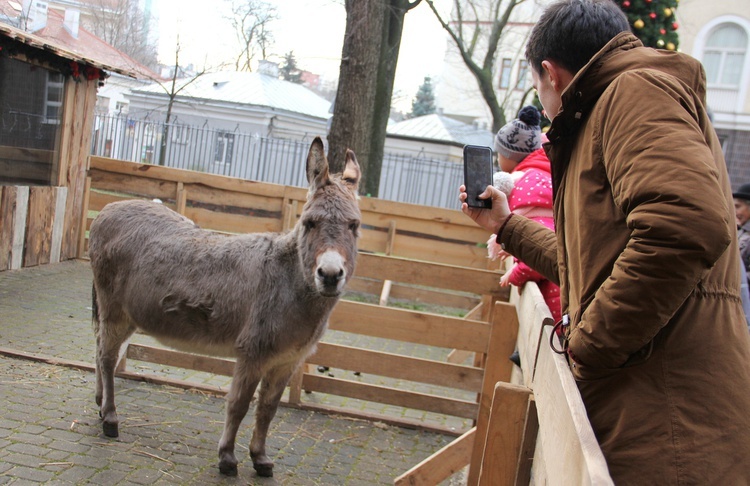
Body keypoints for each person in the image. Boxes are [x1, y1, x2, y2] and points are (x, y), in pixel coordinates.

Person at [459, 0, 750, 483]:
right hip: (652, 406)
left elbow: (684, 227)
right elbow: (596, 265)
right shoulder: (619, 104)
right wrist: (506, 227)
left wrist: (587, 345)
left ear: (550, 74)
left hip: (666, 420)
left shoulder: (631, 94)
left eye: (536, 85)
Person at [487, 105, 561, 323]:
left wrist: (516, 274)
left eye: (500, 154)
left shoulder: (523, 188)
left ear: (509, 156)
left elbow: (541, 251)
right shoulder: (547, 178)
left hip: (555, 307)